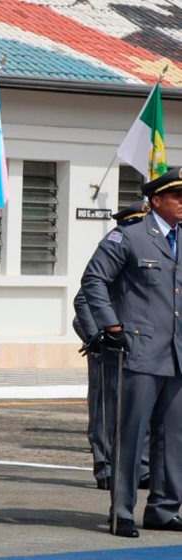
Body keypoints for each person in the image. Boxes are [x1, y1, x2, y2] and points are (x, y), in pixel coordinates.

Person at [82, 168, 182, 538]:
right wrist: (111, 327)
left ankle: (163, 508)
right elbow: (93, 280)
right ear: (155, 201)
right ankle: (122, 510)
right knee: (131, 435)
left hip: (176, 354)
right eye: (177, 197)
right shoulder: (128, 236)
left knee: (174, 436)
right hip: (139, 350)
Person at [74, 201, 149, 491]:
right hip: (107, 346)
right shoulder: (113, 255)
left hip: (139, 347)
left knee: (140, 411)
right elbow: (83, 300)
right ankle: (104, 464)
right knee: (106, 409)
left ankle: (142, 468)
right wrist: (98, 336)